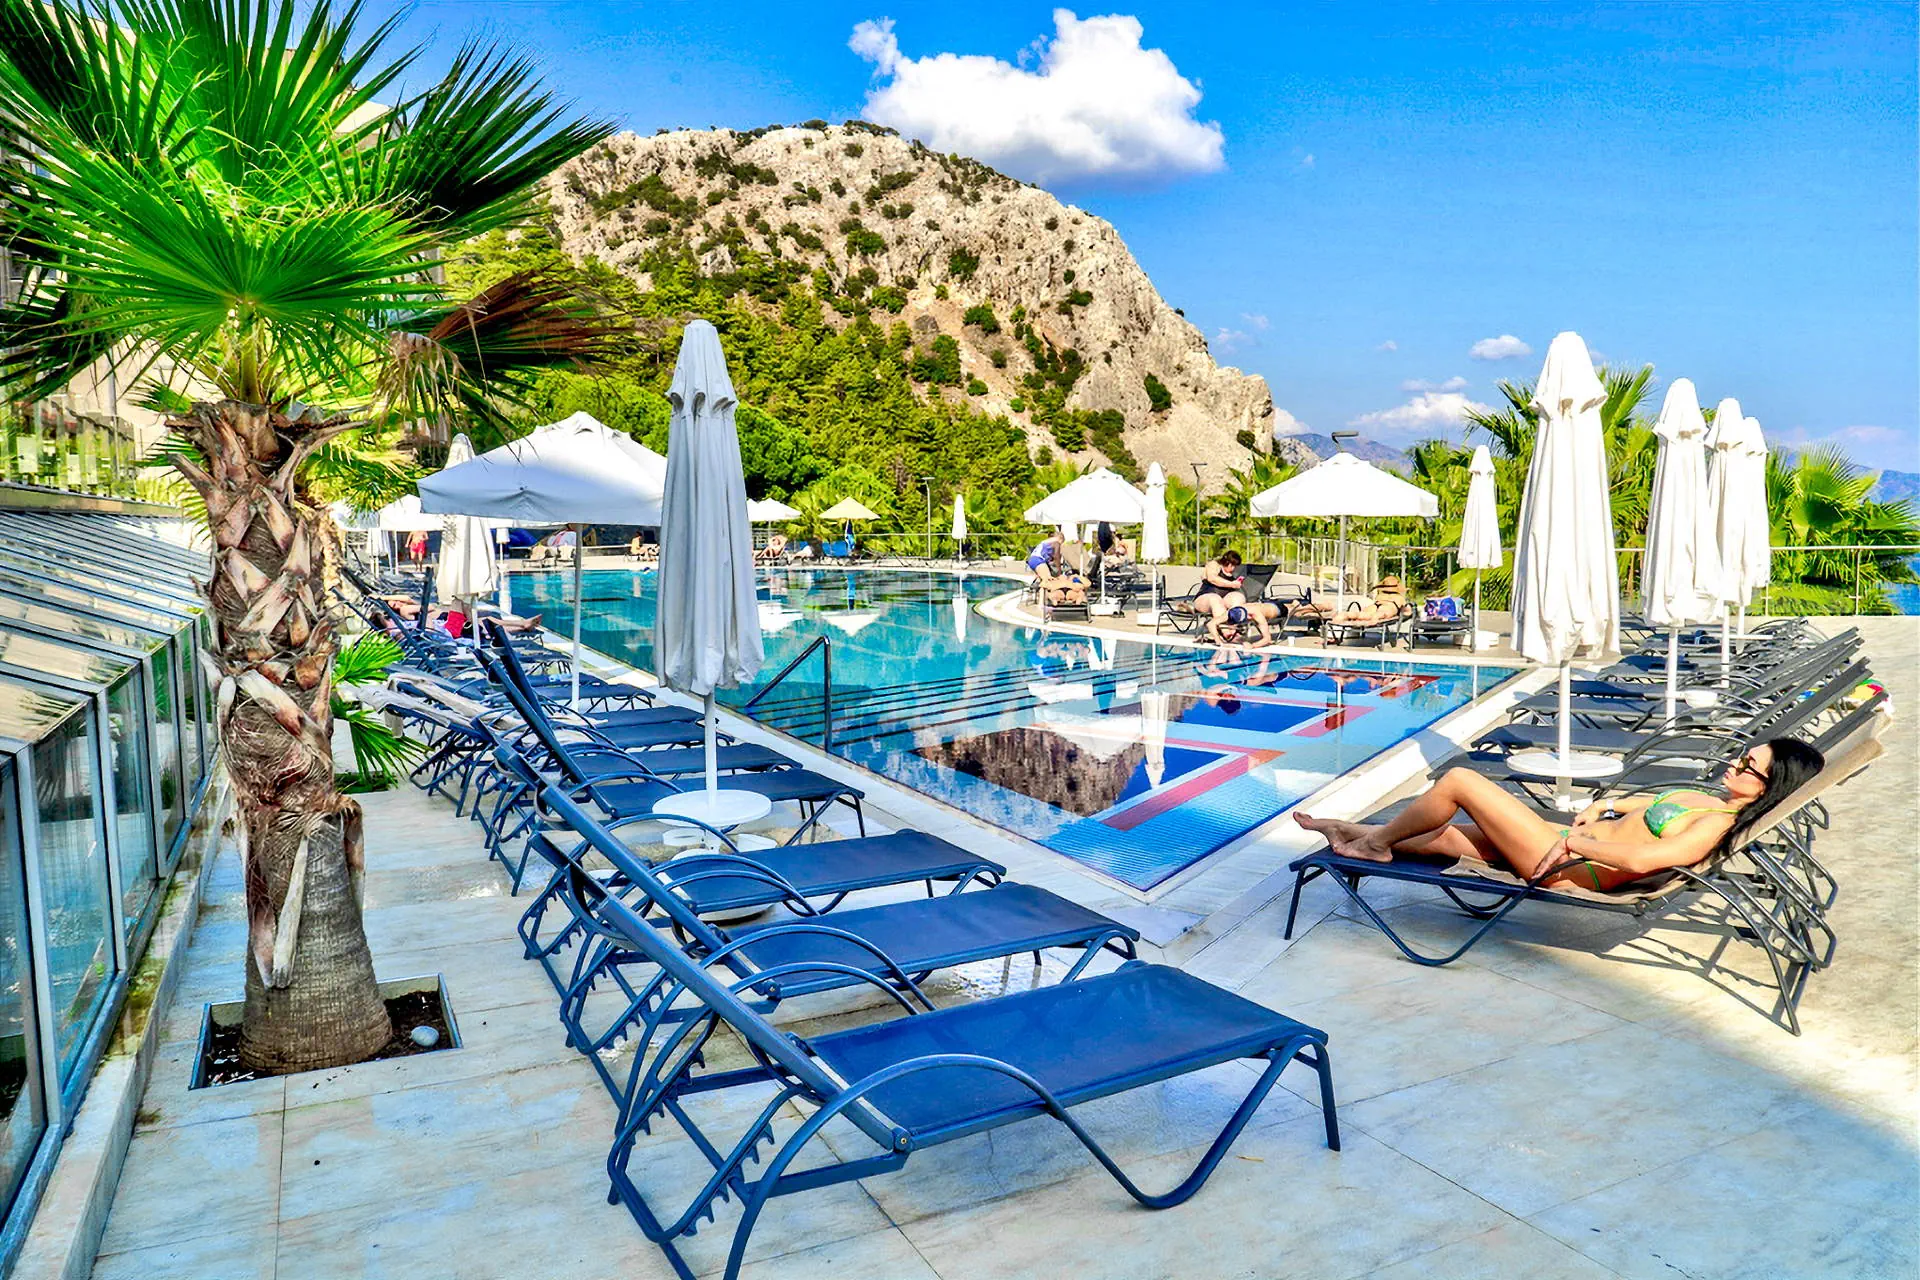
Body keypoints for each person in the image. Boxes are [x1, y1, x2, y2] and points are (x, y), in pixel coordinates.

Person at [1294, 739, 1823, 891]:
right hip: (1566, 842)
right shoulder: (1715, 800)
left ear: (1768, 785)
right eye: (1742, 755)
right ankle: (1355, 831)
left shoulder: (1718, 823)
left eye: (1748, 765)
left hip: (1568, 865)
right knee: (1450, 837)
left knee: (1460, 782)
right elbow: (1641, 806)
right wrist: (1605, 806)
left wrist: (1577, 843)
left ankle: (1373, 844)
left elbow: (1644, 860)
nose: (1735, 763)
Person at [1027, 531, 1086, 605]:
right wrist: (1059, 571)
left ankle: (1042, 601)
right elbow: (1056, 557)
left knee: (1044, 580)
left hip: (1033, 559)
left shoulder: (1048, 541)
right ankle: (1041, 603)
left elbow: (1049, 556)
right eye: (1062, 542)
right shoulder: (1056, 542)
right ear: (1061, 539)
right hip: (1039, 560)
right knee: (1046, 581)